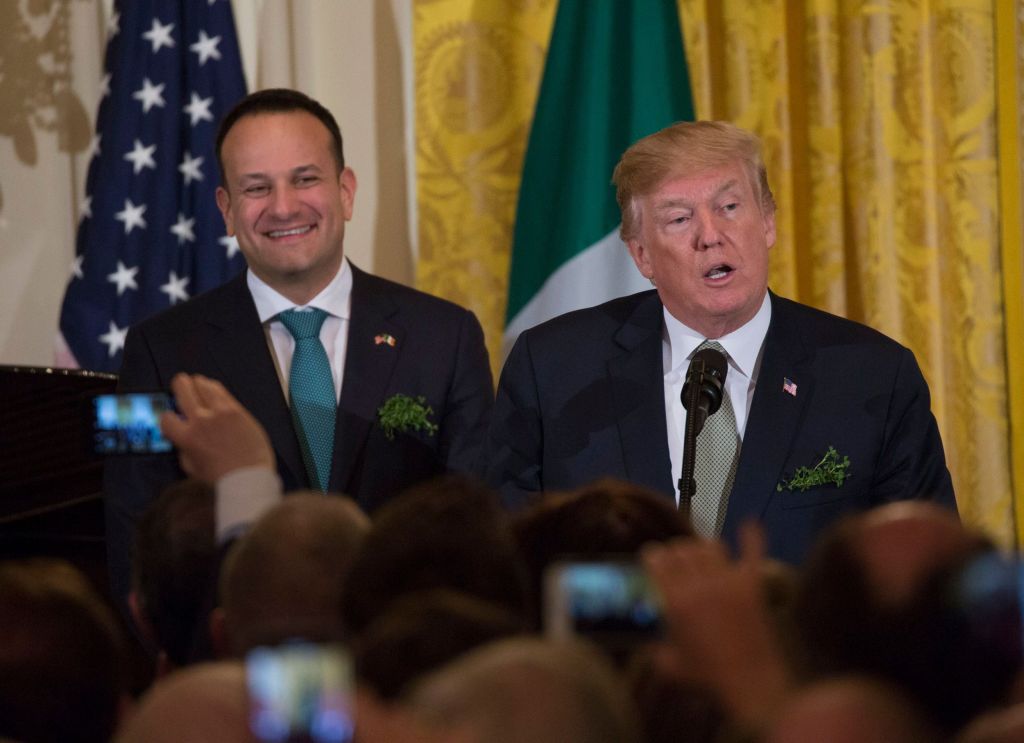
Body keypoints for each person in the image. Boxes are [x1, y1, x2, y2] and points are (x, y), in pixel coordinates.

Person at [485, 120, 955, 563]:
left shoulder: (872, 378)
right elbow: (506, 558)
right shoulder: (553, 370)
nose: (711, 236)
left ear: (767, 222)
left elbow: (925, 571)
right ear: (642, 254)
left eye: (729, 208)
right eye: (679, 219)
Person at [105, 87, 494, 604]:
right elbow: (130, 538)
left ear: (346, 191)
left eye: (305, 179)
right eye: (256, 188)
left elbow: (480, 525)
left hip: (403, 654)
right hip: (234, 656)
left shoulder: (449, 336)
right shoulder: (149, 349)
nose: (284, 207)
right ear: (226, 209)